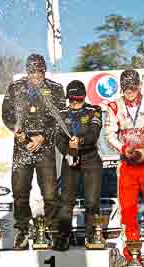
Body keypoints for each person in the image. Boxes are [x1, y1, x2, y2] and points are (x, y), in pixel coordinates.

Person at [2, 54, 66, 249]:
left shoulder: (55, 89)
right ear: (27, 72)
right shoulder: (15, 87)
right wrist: (17, 130)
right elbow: (7, 113)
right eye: (32, 73)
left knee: (50, 193)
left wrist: (43, 137)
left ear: (44, 72)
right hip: (22, 146)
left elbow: (61, 117)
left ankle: (51, 231)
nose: (36, 77)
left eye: (39, 73)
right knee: (20, 191)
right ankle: (22, 230)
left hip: (44, 146)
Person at [104, 69, 144, 261]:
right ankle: (131, 257)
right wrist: (124, 149)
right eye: (125, 88)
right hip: (127, 164)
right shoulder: (114, 106)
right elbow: (109, 134)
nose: (129, 91)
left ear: (139, 85)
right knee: (127, 211)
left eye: (132, 87)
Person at [53, 80, 103, 251]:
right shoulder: (61, 113)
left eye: (78, 99)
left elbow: (94, 134)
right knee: (66, 201)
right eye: (72, 99)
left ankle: (92, 236)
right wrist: (67, 152)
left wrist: (79, 142)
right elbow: (58, 138)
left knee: (92, 201)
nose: (74, 103)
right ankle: (62, 237)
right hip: (70, 159)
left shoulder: (94, 110)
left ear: (83, 97)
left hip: (90, 158)